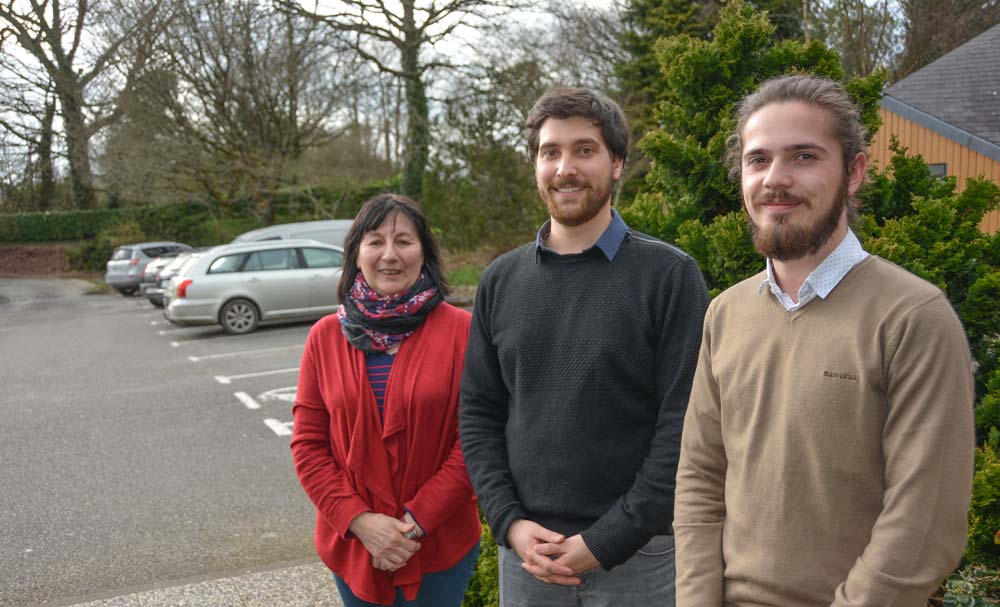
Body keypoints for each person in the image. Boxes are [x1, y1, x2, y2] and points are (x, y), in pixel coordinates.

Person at [673, 74, 975, 606]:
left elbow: (923, 520)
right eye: (758, 159)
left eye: (805, 157)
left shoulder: (914, 317)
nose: (775, 179)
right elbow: (700, 482)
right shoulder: (725, 314)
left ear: (853, 172)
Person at [459, 87, 710, 606]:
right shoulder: (500, 281)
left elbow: (684, 425)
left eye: (585, 150)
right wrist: (509, 523)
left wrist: (607, 539)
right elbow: (479, 411)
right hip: (529, 559)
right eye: (550, 152)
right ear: (535, 165)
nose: (564, 168)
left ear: (617, 164)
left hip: (640, 560)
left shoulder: (669, 276)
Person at [291, 194, 481, 607]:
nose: (389, 255)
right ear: (356, 253)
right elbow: (308, 447)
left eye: (404, 241)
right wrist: (360, 522)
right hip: (353, 542)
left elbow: (477, 440)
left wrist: (415, 523)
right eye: (375, 241)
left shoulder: (463, 332)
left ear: (424, 253)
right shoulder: (324, 338)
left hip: (440, 542)